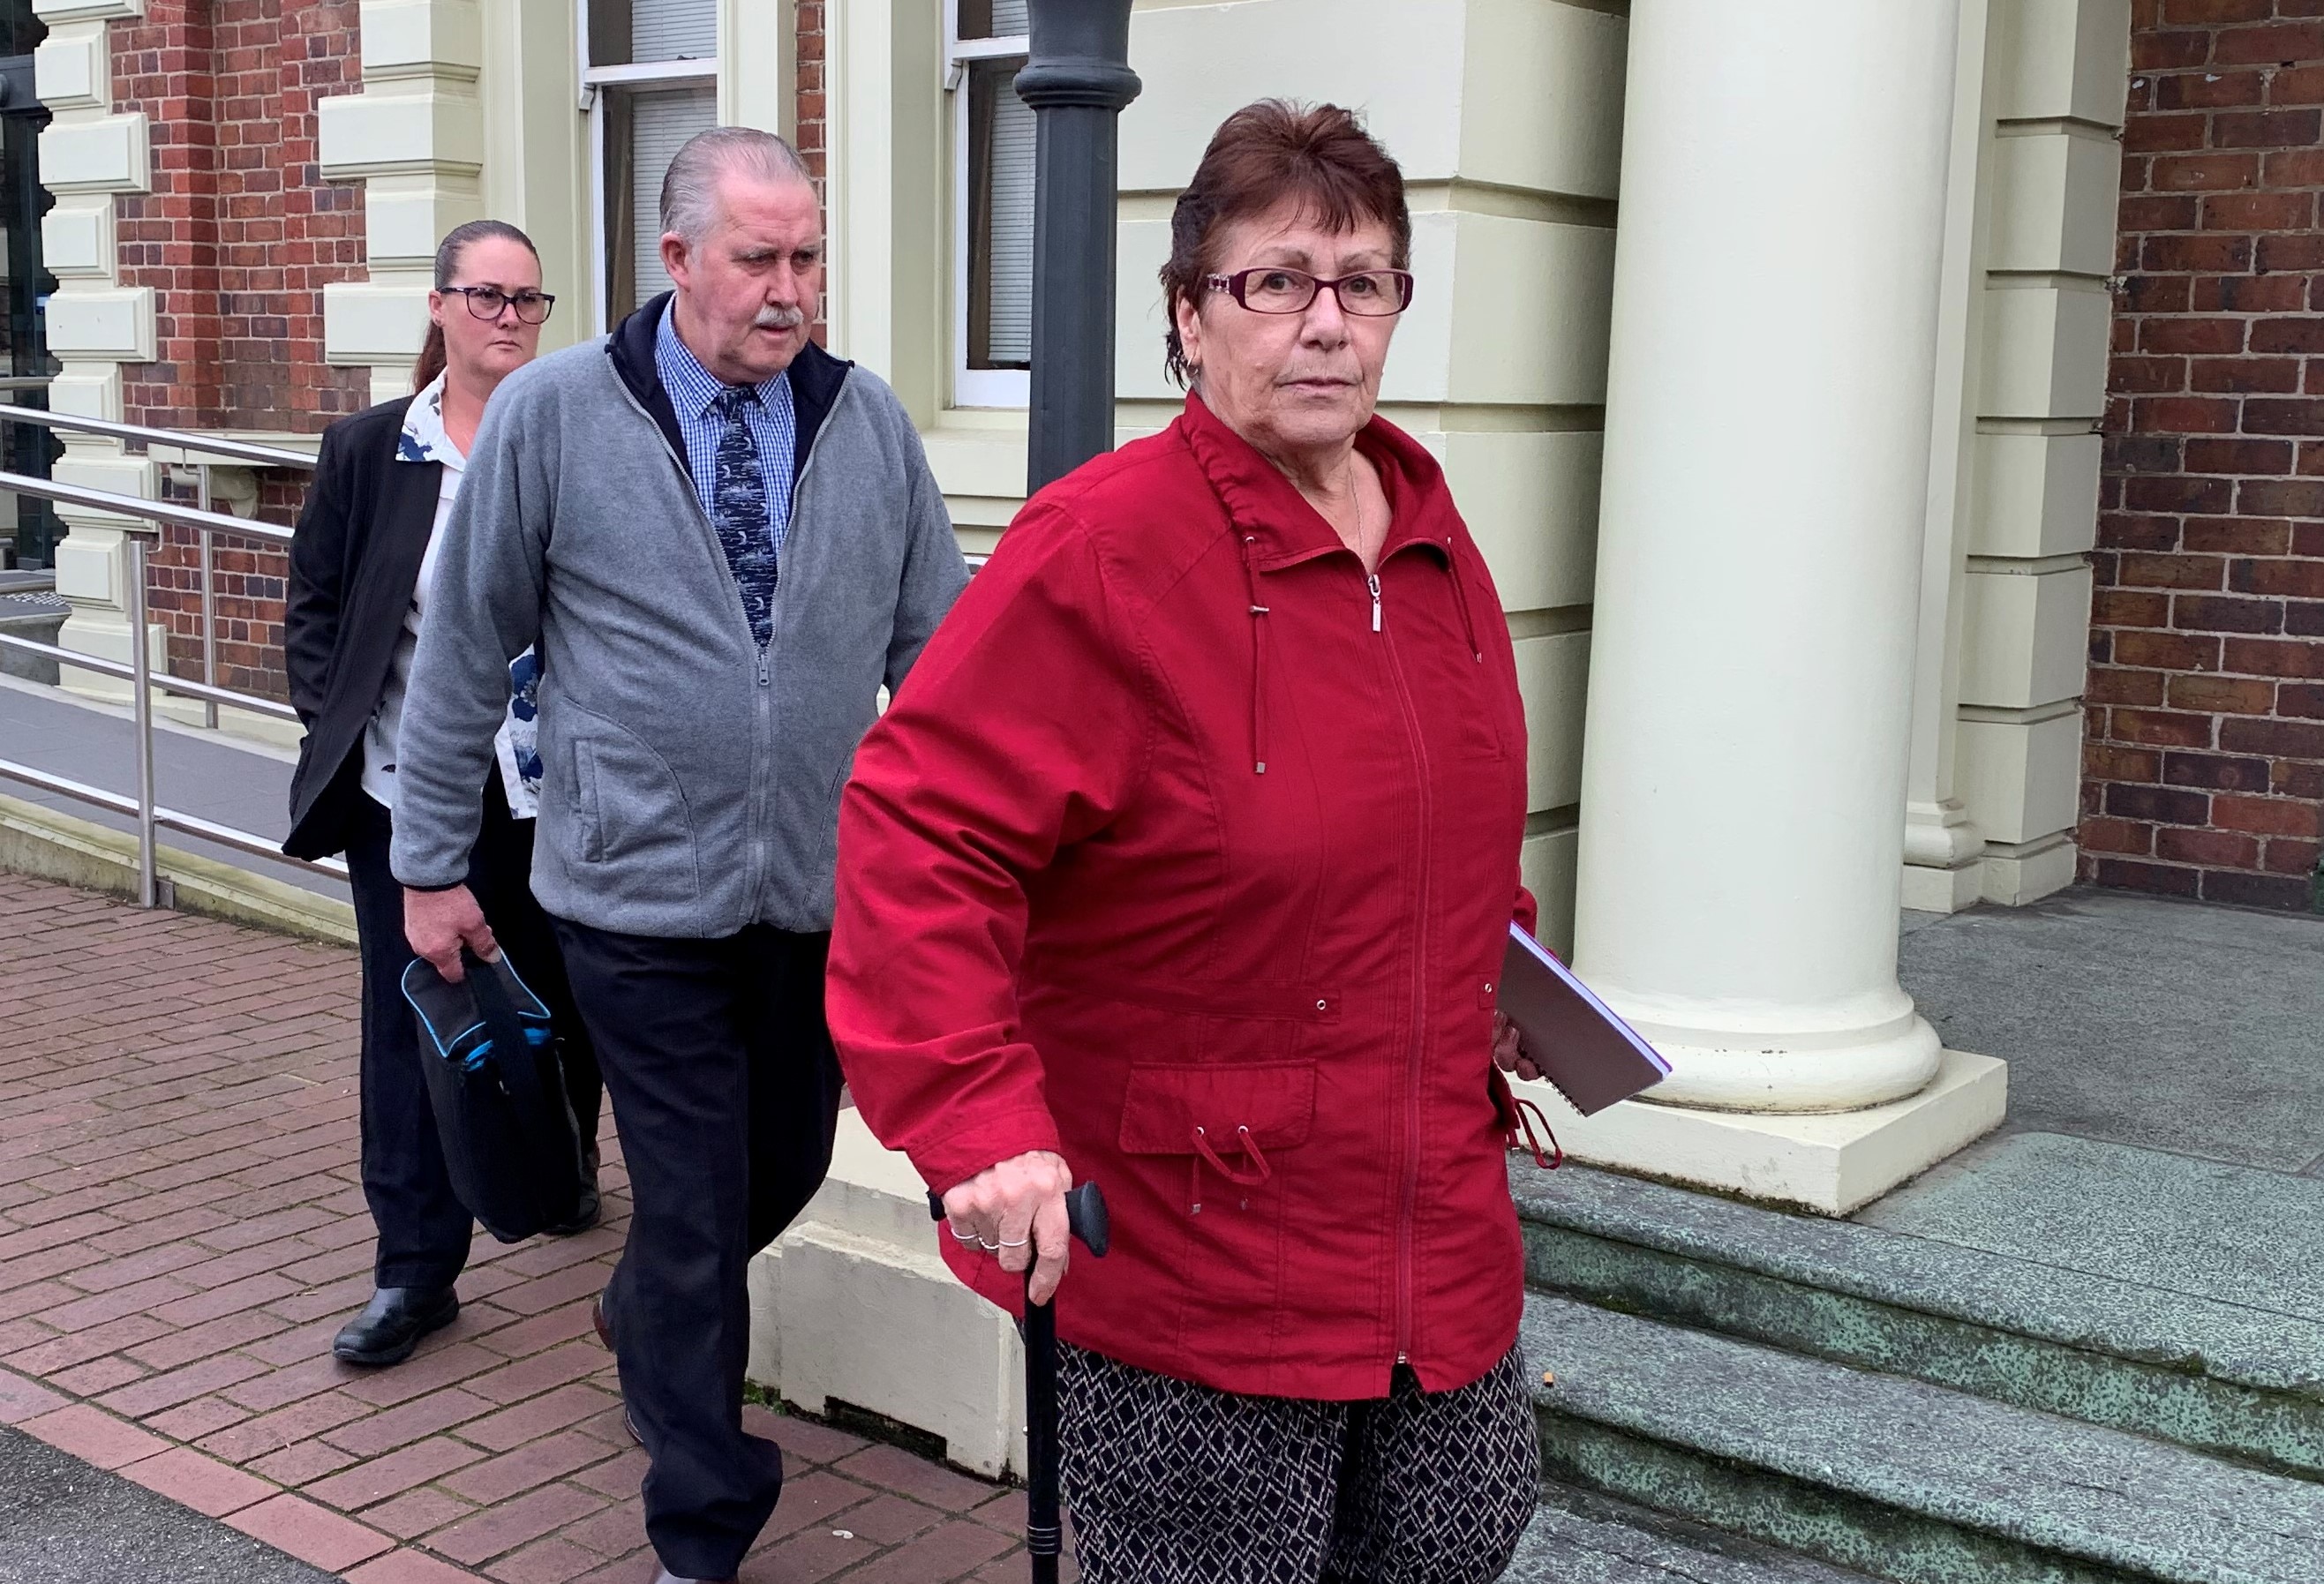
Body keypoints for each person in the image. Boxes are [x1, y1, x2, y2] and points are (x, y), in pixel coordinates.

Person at [828, 101, 1546, 1583]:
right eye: (1272, 282)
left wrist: (1518, 973)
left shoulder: (1424, 527)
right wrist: (977, 1122)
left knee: (1462, 1530)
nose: (1324, 325)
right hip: (1201, 1251)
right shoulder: (1105, 550)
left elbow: (1445, 810)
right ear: (1188, 314)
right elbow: (920, 835)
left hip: (1429, 1214)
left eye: (1363, 282)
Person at [387, 128, 967, 1584]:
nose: (789, 292)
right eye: (758, 259)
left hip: (818, 897)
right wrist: (430, 864)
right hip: (632, 894)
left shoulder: (866, 422)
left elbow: (946, 664)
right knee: (699, 1206)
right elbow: (462, 645)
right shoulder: (560, 414)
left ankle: (645, 1308)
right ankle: (703, 1520)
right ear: (676, 261)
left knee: (772, 1171)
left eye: (808, 259)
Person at [284, 220, 604, 1370]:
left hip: (551, 791)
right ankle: (415, 1271)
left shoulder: (574, 442)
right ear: (438, 308)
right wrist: (338, 713)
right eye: (485, 296)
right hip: (406, 794)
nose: (508, 318)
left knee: (572, 999)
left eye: (528, 299)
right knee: (413, 1022)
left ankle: (560, 1173)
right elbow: (317, 606)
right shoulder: (373, 451)